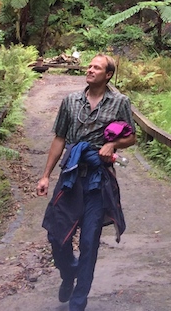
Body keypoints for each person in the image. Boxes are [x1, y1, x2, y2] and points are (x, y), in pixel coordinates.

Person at [37, 54, 136, 310]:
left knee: (89, 241)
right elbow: (59, 139)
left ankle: (79, 300)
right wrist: (46, 175)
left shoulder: (119, 102)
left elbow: (131, 137)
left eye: (97, 67)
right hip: (70, 176)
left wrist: (112, 143)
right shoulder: (70, 101)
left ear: (108, 75)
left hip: (97, 181)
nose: (90, 70)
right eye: (89, 66)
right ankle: (69, 271)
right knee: (56, 235)